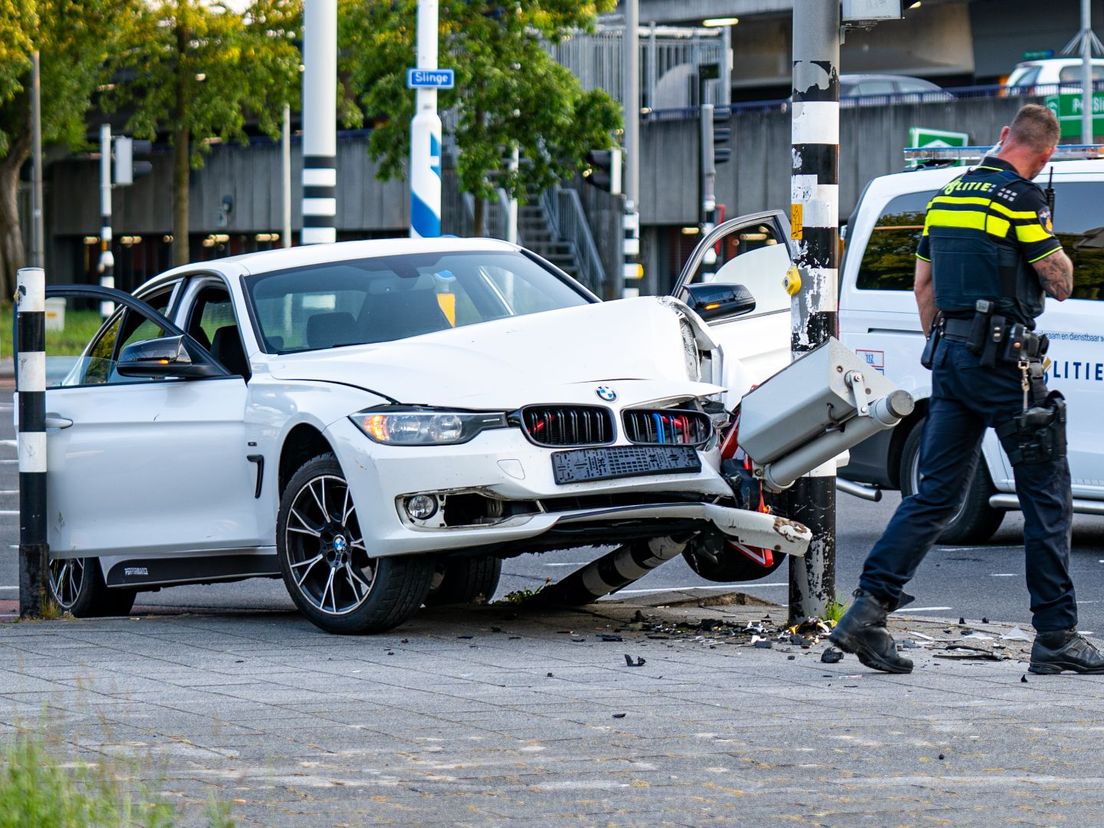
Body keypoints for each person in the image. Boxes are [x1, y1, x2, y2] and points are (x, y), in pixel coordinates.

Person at [830, 104, 1104, 675]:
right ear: (1046, 153)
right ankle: (1056, 635)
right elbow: (1060, 282)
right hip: (1007, 365)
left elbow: (923, 283)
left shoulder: (949, 194)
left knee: (935, 496)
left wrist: (948, 340)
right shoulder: (1022, 199)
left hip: (951, 359)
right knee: (1046, 497)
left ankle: (866, 613)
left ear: (1005, 136)